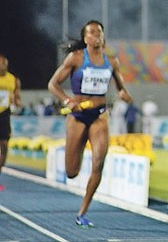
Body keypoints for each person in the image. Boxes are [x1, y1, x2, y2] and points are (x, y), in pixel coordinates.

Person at [47, 20, 133, 227]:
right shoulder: (76, 58)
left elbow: (120, 86)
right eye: (92, 32)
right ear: (86, 38)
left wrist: (123, 93)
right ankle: (79, 152)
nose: (97, 35)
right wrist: (67, 100)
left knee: (98, 163)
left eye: (100, 32)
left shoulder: (111, 61)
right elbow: (53, 84)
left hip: (99, 114)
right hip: (77, 116)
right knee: (71, 171)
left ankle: (83, 212)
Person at [0, 53, 22, 190]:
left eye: (4, 64)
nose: (2, 66)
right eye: (0, 64)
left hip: (4, 114)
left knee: (4, 145)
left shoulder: (13, 80)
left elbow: (17, 98)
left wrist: (17, 102)